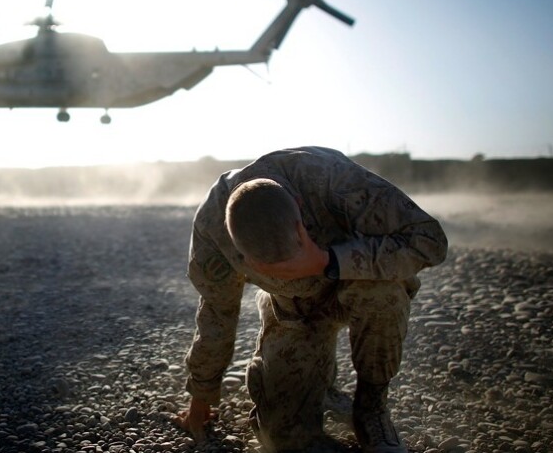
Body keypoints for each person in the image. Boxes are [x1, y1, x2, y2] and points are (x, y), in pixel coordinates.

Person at [174, 146, 448, 453]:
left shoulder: (331, 180)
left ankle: (371, 407)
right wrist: (202, 395)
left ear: (301, 210)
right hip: (293, 310)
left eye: (290, 263)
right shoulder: (212, 232)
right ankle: (317, 384)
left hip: (355, 286)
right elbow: (216, 313)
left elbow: (430, 242)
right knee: (283, 438)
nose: (289, 272)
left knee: (383, 295)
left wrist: (326, 259)